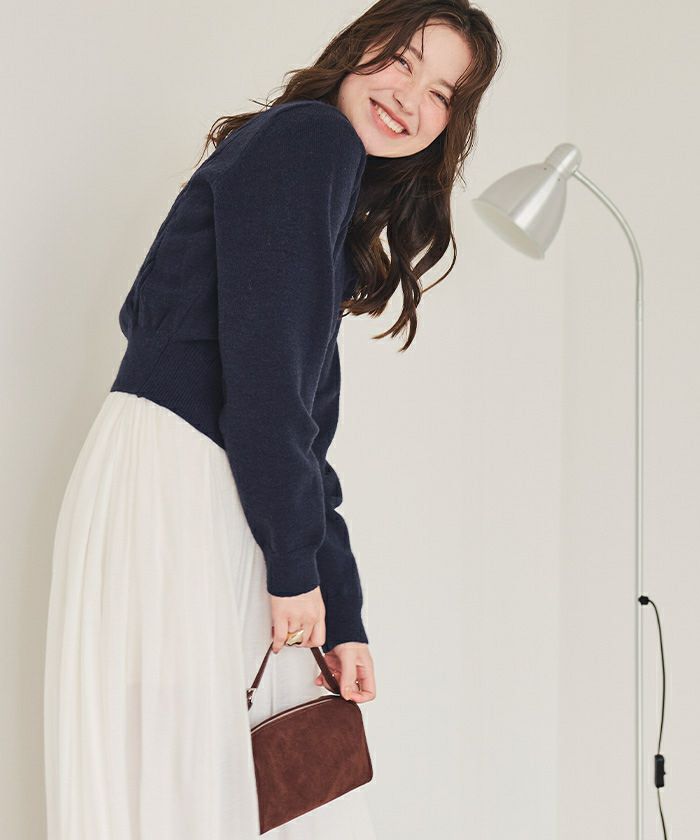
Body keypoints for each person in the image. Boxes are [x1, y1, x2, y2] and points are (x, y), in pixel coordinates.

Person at [43, 0, 501, 837]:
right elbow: (265, 391)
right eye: (401, 61)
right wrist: (295, 569)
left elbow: (299, 428)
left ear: (451, 123)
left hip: (187, 467)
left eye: (441, 92)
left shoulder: (307, 161)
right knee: (197, 787)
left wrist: (343, 613)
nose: (410, 97)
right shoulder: (310, 139)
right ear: (357, 50)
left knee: (177, 783)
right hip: (188, 471)